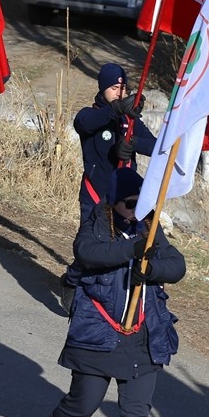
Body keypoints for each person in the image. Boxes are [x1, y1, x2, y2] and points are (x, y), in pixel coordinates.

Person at [41, 169, 186, 417]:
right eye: (130, 203)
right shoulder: (97, 223)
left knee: (136, 414)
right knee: (83, 403)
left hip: (142, 338)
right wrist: (131, 251)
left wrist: (151, 270)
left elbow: (177, 266)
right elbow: (86, 253)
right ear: (113, 203)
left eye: (142, 202)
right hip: (99, 333)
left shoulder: (149, 227)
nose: (136, 210)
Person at [62, 63, 156, 310]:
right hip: (96, 194)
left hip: (124, 199)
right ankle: (72, 281)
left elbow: (156, 147)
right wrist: (116, 109)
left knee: (120, 249)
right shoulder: (90, 114)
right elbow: (85, 124)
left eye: (123, 88)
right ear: (103, 88)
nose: (119, 92)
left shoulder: (130, 120)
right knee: (92, 246)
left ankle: (106, 296)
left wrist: (133, 143)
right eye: (114, 87)